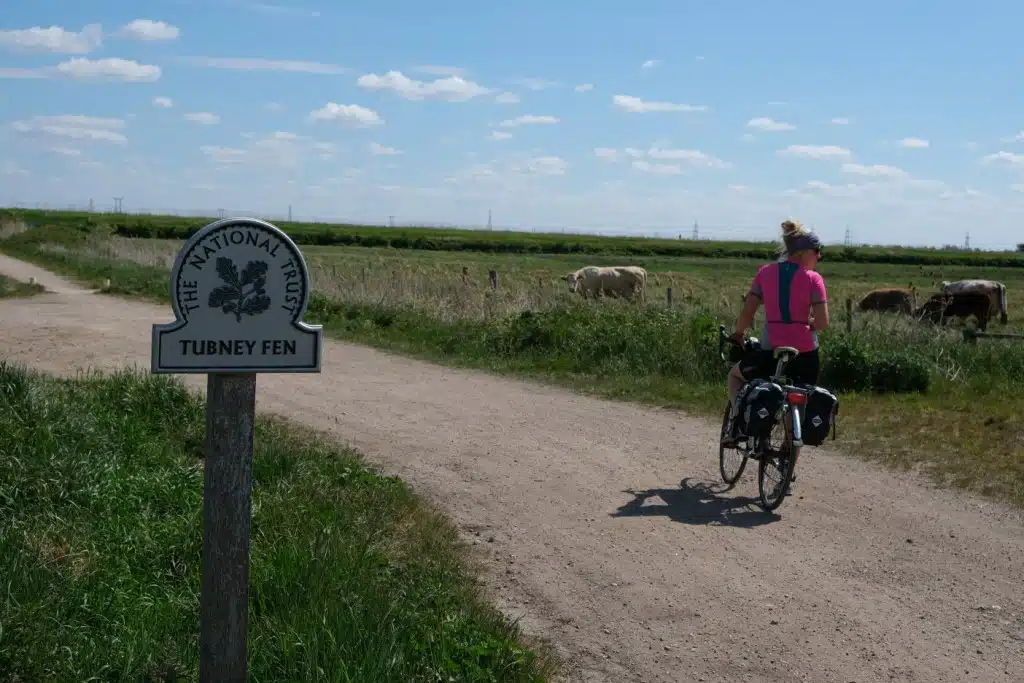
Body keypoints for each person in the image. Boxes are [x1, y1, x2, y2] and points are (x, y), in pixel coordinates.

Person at [723, 219, 829, 448]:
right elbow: (822, 323)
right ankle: (787, 459)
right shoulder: (814, 279)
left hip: (770, 348)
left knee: (735, 376)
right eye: (817, 251)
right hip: (806, 353)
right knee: (799, 401)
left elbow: (748, 311)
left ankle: (738, 423)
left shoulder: (765, 273)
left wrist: (739, 333)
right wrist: (808, 324)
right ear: (803, 252)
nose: (819, 256)